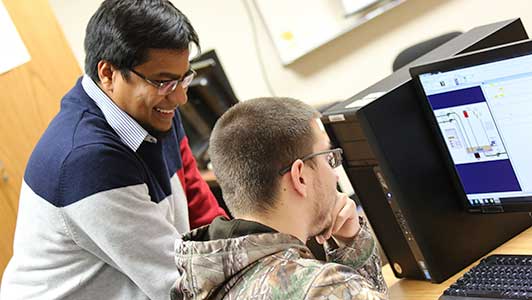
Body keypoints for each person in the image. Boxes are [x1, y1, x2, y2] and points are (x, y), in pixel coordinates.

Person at [0, 1, 227, 299]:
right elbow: (181, 283)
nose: (181, 97)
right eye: (163, 81)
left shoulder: (156, 111)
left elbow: (198, 203)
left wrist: (241, 245)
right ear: (108, 73)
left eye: (183, 77)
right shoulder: (86, 161)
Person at [171, 97, 388, 299]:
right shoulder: (324, 288)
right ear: (300, 176)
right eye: (328, 157)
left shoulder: (197, 279)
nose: (333, 173)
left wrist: (350, 245)